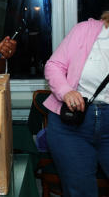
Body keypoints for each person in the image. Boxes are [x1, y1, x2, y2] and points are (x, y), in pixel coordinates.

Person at [43, 11, 109, 196]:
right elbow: (54, 65)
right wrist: (66, 91)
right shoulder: (85, 30)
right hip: (72, 126)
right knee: (81, 192)